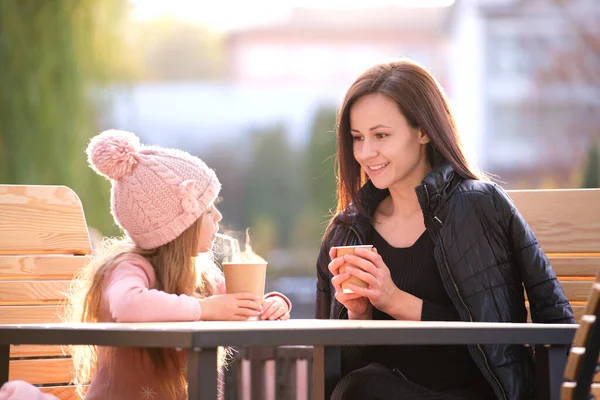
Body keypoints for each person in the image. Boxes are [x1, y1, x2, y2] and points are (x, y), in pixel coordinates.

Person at [315, 59, 575, 400]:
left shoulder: (481, 207)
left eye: (381, 135)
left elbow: (555, 320)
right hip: (381, 392)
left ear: (423, 130)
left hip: (480, 393)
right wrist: (358, 316)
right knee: (359, 386)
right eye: (357, 138)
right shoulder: (347, 232)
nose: (366, 153)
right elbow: (333, 369)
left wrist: (396, 302)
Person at [64, 129, 291, 399]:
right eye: (207, 210)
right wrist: (206, 308)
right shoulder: (130, 267)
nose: (218, 216)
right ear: (179, 227)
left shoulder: (199, 274)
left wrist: (272, 305)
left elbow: (235, 303)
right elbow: (127, 304)